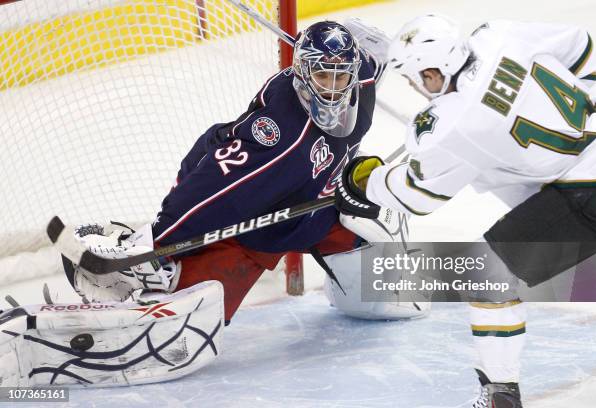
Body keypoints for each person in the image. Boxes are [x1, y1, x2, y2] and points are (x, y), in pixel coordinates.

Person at [24, 20, 429, 387]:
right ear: (303, 74)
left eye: (342, 76)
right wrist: (160, 242)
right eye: (323, 75)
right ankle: (140, 266)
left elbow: (377, 47)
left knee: (403, 302)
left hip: (321, 213)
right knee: (181, 336)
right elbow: (211, 194)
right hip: (259, 229)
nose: (334, 87)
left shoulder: (363, 79)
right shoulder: (278, 138)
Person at [335, 14, 596, 408]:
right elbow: (580, 45)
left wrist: (366, 182)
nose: (417, 87)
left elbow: (418, 196)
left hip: (591, 195)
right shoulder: (502, 33)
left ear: (431, 72)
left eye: (416, 78)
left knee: (486, 276)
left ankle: (500, 397)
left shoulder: (454, 124)